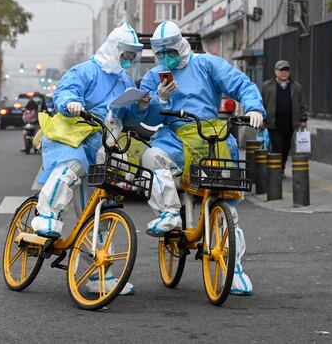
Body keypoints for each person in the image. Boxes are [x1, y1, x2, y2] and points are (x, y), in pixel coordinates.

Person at [139, 20, 265, 296]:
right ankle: (169, 213)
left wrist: (254, 107)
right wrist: (158, 100)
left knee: (227, 210)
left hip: (210, 136)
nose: (165, 58)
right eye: (160, 54)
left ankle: (235, 270)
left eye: (169, 51)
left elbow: (240, 83)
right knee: (152, 157)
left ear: (181, 45)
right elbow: (145, 117)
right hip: (173, 137)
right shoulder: (155, 75)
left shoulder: (207, 64)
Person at [30, 23, 149, 295]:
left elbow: (127, 118)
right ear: (113, 49)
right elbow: (65, 92)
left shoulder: (125, 81)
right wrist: (71, 103)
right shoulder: (85, 71)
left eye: (133, 55)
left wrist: (141, 107)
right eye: (126, 53)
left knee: (96, 213)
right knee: (71, 168)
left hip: (102, 147)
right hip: (71, 137)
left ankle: (97, 274)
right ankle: (46, 215)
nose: (129, 59)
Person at [260, 60, 308, 176]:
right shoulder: (267, 86)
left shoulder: (296, 87)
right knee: (277, 146)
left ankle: (280, 167)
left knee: (286, 147)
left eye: (286, 70)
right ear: (276, 72)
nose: (284, 73)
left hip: (290, 122)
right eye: (281, 70)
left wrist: (303, 119)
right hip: (273, 122)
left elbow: (302, 104)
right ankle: (277, 171)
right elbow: (261, 103)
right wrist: (261, 118)